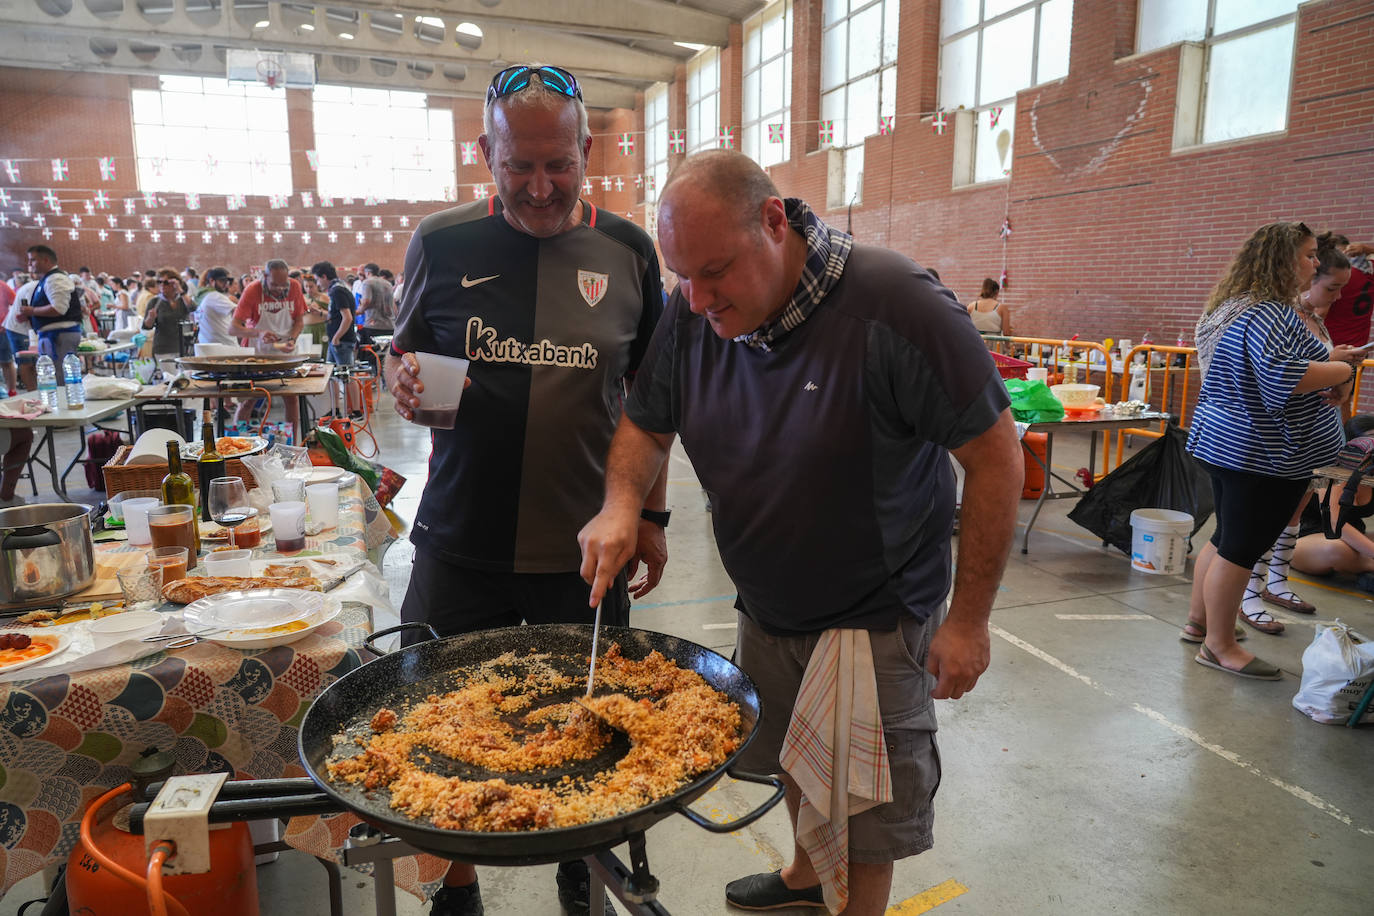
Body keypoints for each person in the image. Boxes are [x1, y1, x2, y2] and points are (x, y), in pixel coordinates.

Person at [578, 151, 1023, 916]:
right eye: (683, 274)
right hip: (768, 601)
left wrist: (971, 619)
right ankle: (803, 882)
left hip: (872, 612)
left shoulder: (895, 307)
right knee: (795, 757)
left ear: (775, 222)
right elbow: (647, 423)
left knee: (862, 806)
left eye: (714, 271)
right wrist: (623, 505)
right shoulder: (692, 312)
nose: (698, 297)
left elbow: (996, 458)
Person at [386, 62, 667, 916]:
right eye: (519, 167)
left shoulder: (628, 252)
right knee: (435, 722)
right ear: (486, 152)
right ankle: (455, 886)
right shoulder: (440, 242)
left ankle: (578, 873)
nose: (540, 187)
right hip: (461, 538)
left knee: (586, 728)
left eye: (560, 165)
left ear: (588, 151)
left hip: (584, 549)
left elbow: (653, 401)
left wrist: (649, 514)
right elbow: (402, 354)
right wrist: (402, 381)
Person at [1183, 222, 1361, 678]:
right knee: (1240, 550)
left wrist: (1330, 367)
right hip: (1259, 451)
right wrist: (1339, 369)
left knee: (1225, 541)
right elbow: (1285, 376)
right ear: (1280, 260)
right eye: (1307, 255)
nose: (1315, 262)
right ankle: (1219, 646)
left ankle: (1202, 623)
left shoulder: (1233, 306)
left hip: (1226, 441)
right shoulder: (1271, 312)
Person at [1235, 232, 1355, 630]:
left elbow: (1329, 376)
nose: (1338, 297)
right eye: (1332, 288)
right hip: (1284, 442)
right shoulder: (1279, 318)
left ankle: (1275, 582)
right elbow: (1282, 379)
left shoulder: (1315, 321)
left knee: (1296, 514)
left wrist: (1344, 381)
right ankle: (1249, 594)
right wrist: (1339, 369)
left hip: (1319, 440)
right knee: (1264, 520)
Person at [231, 259, 305, 428]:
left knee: (291, 398)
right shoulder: (252, 290)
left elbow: (299, 321)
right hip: (257, 354)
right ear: (264, 276)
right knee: (250, 398)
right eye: (274, 284)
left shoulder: (294, 286)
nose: (280, 289)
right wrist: (259, 333)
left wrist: (292, 339)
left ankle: (291, 443)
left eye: (283, 284)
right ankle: (239, 439)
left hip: (286, 352)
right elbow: (233, 329)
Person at [18, 245, 82, 366]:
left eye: (33, 260)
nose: (30, 264)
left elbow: (58, 309)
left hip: (60, 336)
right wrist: (30, 316)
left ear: (46, 260)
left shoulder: (56, 278)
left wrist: (32, 311)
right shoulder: (47, 279)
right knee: (54, 378)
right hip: (53, 335)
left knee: (60, 377)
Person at [1318, 238, 1373, 348]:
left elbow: (1319, 313)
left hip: (1334, 349)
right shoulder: (1369, 274)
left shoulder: (1336, 277)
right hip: (1358, 348)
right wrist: (1367, 249)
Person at [142, 271, 193, 371]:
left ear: (175, 283)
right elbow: (147, 326)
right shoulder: (155, 302)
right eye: (159, 282)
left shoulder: (182, 300)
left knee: (186, 379)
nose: (162, 285)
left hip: (184, 347)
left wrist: (180, 291)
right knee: (170, 379)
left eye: (166, 282)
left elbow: (193, 309)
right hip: (163, 348)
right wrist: (151, 317)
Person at [311, 261, 356, 367]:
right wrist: (320, 312)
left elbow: (347, 317)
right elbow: (337, 315)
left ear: (324, 276)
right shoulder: (337, 288)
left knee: (346, 376)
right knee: (331, 374)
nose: (317, 284)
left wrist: (336, 338)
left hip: (341, 341)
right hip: (337, 340)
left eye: (317, 280)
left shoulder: (337, 290)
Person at [195, 267, 239, 346]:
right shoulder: (215, 296)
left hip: (209, 344)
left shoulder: (202, 295)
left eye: (227, 281)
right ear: (212, 281)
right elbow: (239, 312)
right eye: (222, 281)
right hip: (223, 346)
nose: (225, 284)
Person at [301, 274, 330, 350]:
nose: (308, 289)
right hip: (305, 330)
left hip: (320, 329)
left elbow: (333, 315)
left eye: (311, 286)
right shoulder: (302, 297)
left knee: (321, 353)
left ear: (317, 285)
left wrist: (320, 310)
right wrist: (306, 310)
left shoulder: (324, 297)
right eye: (306, 286)